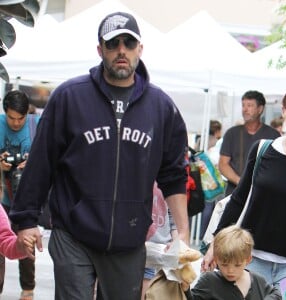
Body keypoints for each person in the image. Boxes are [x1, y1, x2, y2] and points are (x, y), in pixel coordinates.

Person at [9, 12, 190, 300]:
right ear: (99, 50)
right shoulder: (70, 97)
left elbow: (174, 174)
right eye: (112, 43)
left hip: (129, 240)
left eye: (128, 43)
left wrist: (182, 232)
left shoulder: (161, 108)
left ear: (139, 49)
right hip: (73, 233)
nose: (121, 50)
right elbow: (42, 162)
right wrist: (26, 220)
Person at [202, 86, 286, 287]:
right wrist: (216, 243)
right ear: (283, 111)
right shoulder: (263, 149)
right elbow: (238, 199)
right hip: (249, 258)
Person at [0, 90, 39, 300]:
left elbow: (50, 156)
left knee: (25, 243)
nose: (16, 123)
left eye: (20, 119)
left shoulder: (37, 124)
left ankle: (28, 290)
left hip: (26, 199)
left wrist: (32, 162)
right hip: (2, 197)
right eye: (11, 118)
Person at [184, 225, 282, 299]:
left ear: (248, 259)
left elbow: (276, 294)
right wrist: (185, 289)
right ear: (217, 259)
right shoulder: (209, 281)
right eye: (224, 264)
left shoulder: (257, 280)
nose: (230, 270)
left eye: (237, 265)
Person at [219, 90, 280, 196]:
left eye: (250, 105)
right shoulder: (232, 133)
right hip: (234, 192)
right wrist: (240, 182)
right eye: (243, 105)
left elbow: (278, 166)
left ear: (260, 109)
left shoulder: (273, 135)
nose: (245, 109)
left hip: (262, 194)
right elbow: (223, 164)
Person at [141, 182, 178, 299]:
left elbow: (174, 217)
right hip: (134, 246)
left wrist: (176, 242)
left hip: (160, 248)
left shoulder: (168, 178)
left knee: (150, 290)